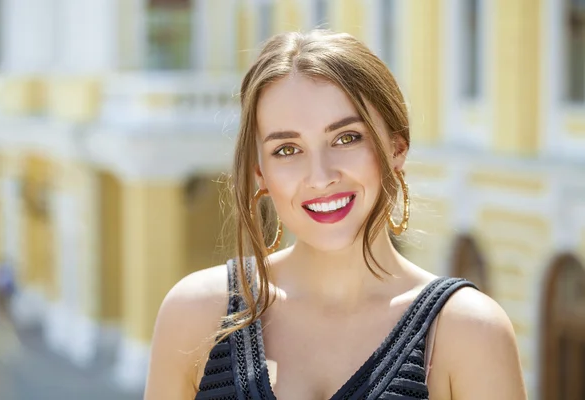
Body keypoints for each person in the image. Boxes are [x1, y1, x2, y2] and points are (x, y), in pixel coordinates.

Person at [144, 30, 527, 400]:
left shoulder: (469, 332)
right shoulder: (196, 314)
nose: (321, 177)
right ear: (259, 171)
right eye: (287, 149)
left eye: (346, 138)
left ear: (396, 148)